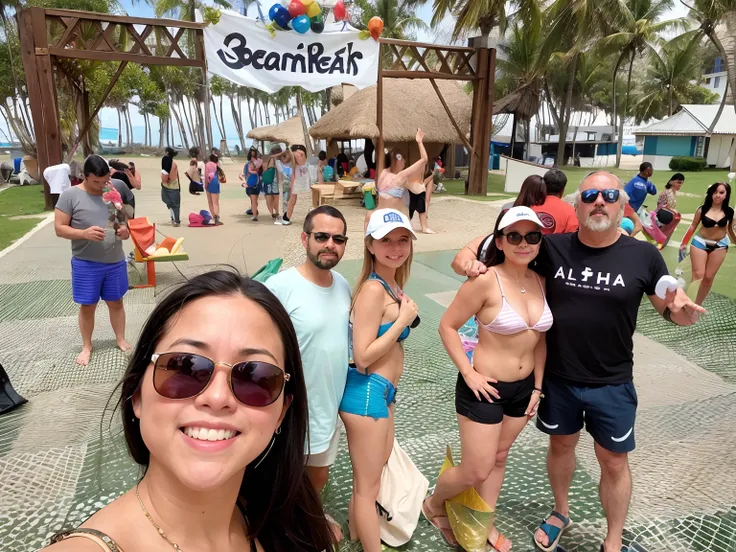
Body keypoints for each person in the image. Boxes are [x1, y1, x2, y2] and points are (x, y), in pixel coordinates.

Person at [452, 171, 704, 552]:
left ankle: (614, 539)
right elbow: (478, 247)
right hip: (558, 378)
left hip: (613, 380)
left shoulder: (644, 255)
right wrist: (466, 261)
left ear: (622, 205)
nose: (598, 201)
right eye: (589, 195)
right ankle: (560, 511)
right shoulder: (550, 246)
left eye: (607, 195)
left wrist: (680, 313)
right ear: (577, 204)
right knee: (561, 447)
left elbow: (667, 305)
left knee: (615, 461)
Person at [44, 271, 336, 552]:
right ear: (136, 395)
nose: (218, 397)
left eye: (255, 377)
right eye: (184, 367)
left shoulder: (290, 526)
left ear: (282, 411)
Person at [424, 207, 551, 551]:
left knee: (499, 457)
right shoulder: (484, 280)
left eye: (532, 236)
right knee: (476, 469)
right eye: (514, 236)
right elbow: (447, 326)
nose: (523, 243)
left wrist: (538, 387)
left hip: (524, 390)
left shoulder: (541, 281)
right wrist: (468, 372)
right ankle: (434, 504)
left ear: (540, 241)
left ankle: (483, 523)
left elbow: (540, 340)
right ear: (499, 241)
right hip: (484, 387)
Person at [265, 206, 351, 541]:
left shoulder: (343, 285)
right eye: (322, 237)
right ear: (305, 239)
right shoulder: (280, 286)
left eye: (338, 239)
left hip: (328, 402)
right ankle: (279, 527)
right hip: (289, 406)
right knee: (281, 474)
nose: (330, 244)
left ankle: (310, 516)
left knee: (318, 474)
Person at [339, 208, 419, 552]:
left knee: (366, 479)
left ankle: (356, 534)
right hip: (367, 393)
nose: (396, 247)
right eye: (386, 240)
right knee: (367, 489)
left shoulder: (391, 282)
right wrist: (403, 321)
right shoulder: (373, 290)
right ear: (370, 245)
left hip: (382, 394)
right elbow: (362, 358)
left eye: (402, 239)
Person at [54, 155, 132, 366]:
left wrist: (124, 231)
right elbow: (59, 228)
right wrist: (83, 233)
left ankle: (121, 338)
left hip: (114, 260)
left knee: (116, 302)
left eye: (105, 180)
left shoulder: (112, 192)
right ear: (84, 176)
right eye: (95, 182)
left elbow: (122, 223)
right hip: (86, 262)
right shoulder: (70, 195)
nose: (101, 186)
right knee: (88, 305)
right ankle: (87, 345)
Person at [680, 182, 735, 305]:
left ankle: (697, 305)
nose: (717, 195)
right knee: (698, 276)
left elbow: (730, 229)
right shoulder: (702, 209)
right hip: (700, 242)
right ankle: (689, 304)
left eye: (721, 192)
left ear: (727, 194)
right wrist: (684, 243)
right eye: (715, 192)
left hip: (720, 245)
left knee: (708, 278)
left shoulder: (730, 211)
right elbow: (693, 226)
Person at [375, 129, 428, 213]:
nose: (404, 162)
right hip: (393, 216)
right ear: (398, 160)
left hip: (379, 214)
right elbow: (424, 159)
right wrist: (419, 142)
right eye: (403, 159)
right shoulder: (400, 177)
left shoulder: (381, 173)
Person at [277, 145, 311, 226]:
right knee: (294, 200)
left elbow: (286, 162)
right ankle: (286, 217)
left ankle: (286, 218)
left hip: (297, 178)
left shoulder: (295, 155)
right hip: (304, 178)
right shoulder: (302, 155)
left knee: (292, 200)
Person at [655, 173, 684, 246]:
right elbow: (666, 206)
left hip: (666, 215)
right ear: (672, 182)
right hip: (662, 216)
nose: (680, 185)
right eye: (678, 182)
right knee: (660, 236)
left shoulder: (672, 191)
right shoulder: (668, 192)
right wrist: (674, 211)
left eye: (681, 183)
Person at [161, 147, 181, 227]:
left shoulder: (166, 161)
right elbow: (177, 176)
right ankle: (174, 219)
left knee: (173, 204)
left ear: (167, 153)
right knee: (173, 204)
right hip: (174, 186)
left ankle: (176, 220)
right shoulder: (174, 163)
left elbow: (165, 176)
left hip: (169, 186)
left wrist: (164, 181)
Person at [275, 148, 294, 226]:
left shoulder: (291, 164)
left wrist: (288, 151)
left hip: (291, 185)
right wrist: (282, 152)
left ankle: (286, 216)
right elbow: (275, 157)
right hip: (286, 186)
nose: (285, 158)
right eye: (284, 156)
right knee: (286, 201)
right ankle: (285, 217)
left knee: (289, 201)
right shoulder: (280, 165)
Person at [262, 146, 281, 219]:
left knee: (269, 197)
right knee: (275, 197)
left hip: (267, 180)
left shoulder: (266, 158)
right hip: (273, 181)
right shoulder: (273, 158)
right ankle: (276, 212)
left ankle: (272, 212)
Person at [242, 149, 262, 222]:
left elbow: (246, 174)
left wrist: (243, 180)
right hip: (258, 182)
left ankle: (255, 215)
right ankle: (254, 210)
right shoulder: (260, 162)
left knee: (253, 200)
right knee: (255, 200)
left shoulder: (248, 164)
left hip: (251, 183)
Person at [205, 153, 223, 225]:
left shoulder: (208, 164)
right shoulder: (217, 165)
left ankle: (213, 217)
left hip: (210, 182)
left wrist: (206, 185)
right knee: (215, 202)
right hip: (216, 182)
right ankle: (216, 217)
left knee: (210, 202)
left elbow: (206, 176)